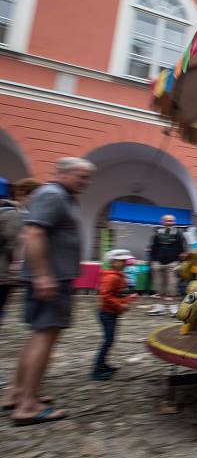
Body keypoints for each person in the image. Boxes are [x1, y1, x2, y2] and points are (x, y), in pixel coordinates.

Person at [4, 157, 94, 425]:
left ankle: (17, 393)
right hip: (51, 279)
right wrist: (43, 275)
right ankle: (27, 405)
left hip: (53, 277)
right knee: (44, 338)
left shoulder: (60, 196)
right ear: (63, 173)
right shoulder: (53, 194)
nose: (85, 182)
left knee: (38, 337)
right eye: (81, 176)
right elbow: (32, 234)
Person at [92, 249, 138, 381]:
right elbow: (105, 296)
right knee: (108, 341)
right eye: (122, 261)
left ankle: (103, 365)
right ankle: (97, 369)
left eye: (125, 260)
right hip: (107, 314)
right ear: (113, 262)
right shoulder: (112, 277)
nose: (125, 263)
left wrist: (128, 299)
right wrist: (121, 305)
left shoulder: (118, 275)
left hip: (111, 313)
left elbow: (116, 295)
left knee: (109, 340)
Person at [0, 178, 40, 323]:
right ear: (22, 194)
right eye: (35, 196)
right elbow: (13, 244)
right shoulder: (15, 214)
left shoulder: (8, 211)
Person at [148, 214, 186, 315]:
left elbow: (183, 250)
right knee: (158, 286)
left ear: (174, 222)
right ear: (163, 222)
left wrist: (180, 262)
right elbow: (153, 249)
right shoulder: (157, 233)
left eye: (171, 221)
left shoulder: (179, 234)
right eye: (167, 221)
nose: (169, 222)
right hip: (158, 263)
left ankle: (173, 308)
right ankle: (159, 308)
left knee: (172, 287)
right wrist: (152, 261)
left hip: (172, 263)